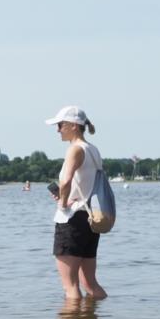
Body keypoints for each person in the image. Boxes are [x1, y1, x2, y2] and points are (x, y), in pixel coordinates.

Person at [46, 105, 107, 300]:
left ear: (73, 125)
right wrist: (65, 195)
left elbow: (66, 180)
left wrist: (62, 204)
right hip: (90, 219)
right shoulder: (93, 150)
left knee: (70, 286)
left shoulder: (75, 149)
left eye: (60, 125)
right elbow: (85, 183)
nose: (58, 130)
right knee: (90, 283)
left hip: (71, 220)